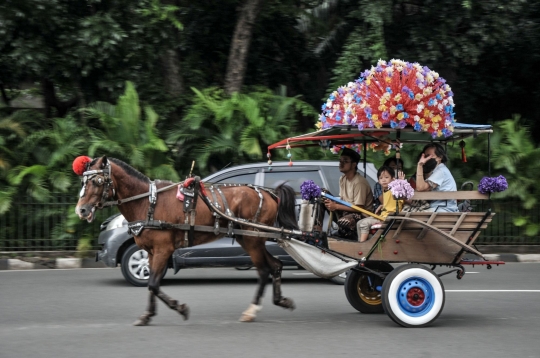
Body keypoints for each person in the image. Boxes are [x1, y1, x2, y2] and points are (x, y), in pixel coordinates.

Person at [324, 147, 374, 239]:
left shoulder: (359, 182)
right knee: (322, 194)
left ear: (354, 164)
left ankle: (349, 241)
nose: (341, 163)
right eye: (340, 161)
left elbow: (359, 208)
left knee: (345, 221)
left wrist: (336, 206)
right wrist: (331, 203)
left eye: (345, 161)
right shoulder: (342, 179)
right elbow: (342, 200)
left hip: (361, 215)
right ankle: (317, 230)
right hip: (346, 211)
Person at [357, 166, 403, 242]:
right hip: (382, 216)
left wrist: (399, 184)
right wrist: (382, 205)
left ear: (393, 179)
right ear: (378, 181)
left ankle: (363, 244)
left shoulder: (394, 190)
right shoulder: (386, 191)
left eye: (386, 177)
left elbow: (399, 195)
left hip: (389, 218)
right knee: (359, 223)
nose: (384, 180)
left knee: (364, 224)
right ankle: (362, 243)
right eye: (381, 178)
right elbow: (388, 202)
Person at [415, 142, 458, 212]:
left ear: (440, 157)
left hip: (444, 209)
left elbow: (420, 188)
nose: (426, 159)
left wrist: (420, 165)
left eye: (429, 156)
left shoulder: (441, 171)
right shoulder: (435, 170)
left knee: (414, 217)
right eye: (425, 156)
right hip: (437, 207)